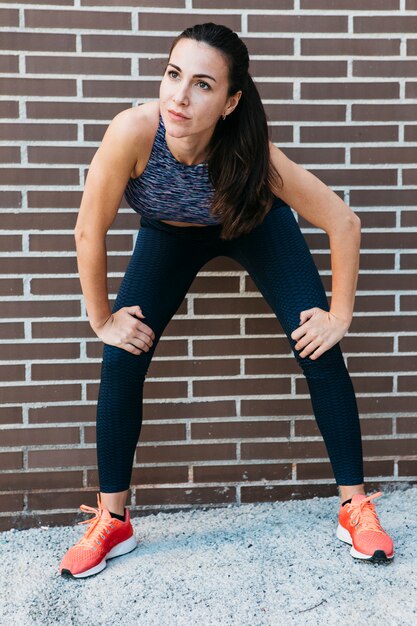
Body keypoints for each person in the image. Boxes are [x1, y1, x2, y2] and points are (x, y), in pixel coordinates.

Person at [59, 23, 394, 579]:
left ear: (231, 100)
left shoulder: (252, 152)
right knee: (122, 354)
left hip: (254, 227)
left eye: (202, 85)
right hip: (168, 235)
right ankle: (112, 520)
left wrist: (340, 315)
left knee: (317, 345)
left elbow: (344, 222)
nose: (179, 97)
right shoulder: (133, 133)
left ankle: (354, 506)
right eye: (173, 75)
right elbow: (88, 231)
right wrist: (102, 319)